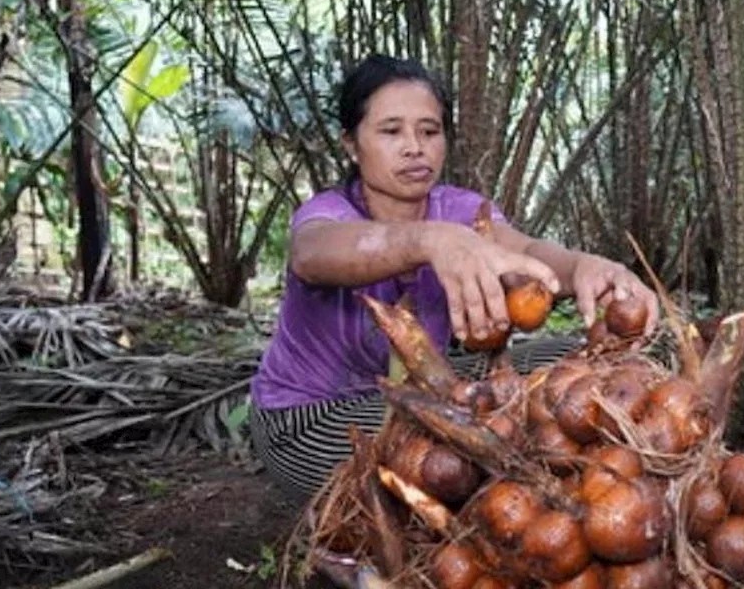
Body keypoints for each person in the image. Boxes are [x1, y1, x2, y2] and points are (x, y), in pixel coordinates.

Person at [249, 54, 659, 502]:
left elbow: (523, 252)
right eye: (391, 131)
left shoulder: (460, 211)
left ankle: (585, 498)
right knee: (456, 455)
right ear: (351, 143)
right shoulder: (330, 214)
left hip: (426, 393)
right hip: (313, 417)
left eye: (429, 131)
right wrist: (430, 242)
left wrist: (584, 267)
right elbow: (312, 254)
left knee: (586, 365)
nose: (414, 147)